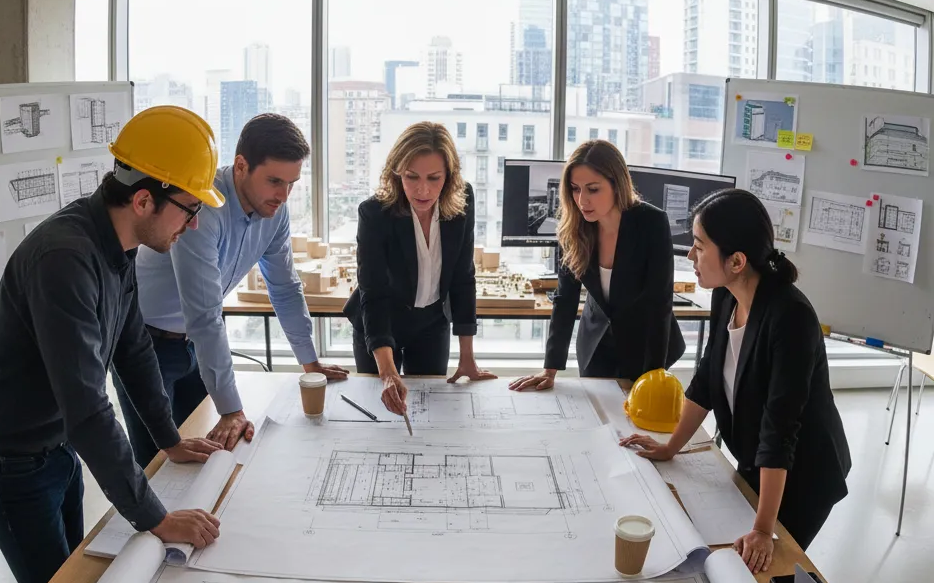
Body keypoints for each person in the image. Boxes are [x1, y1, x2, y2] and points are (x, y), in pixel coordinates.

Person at [0, 106, 226, 583]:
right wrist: (157, 518)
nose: (192, 225)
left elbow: (133, 347)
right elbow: (86, 406)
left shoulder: (115, 245)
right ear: (144, 199)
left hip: (55, 448)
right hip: (5, 460)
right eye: (190, 209)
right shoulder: (66, 259)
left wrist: (169, 440)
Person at [621, 188, 851, 570]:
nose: (691, 256)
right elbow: (709, 378)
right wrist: (671, 447)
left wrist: (763, 529)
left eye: (699, 246)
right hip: (760, 456)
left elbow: (780, 428)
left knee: (765, 567)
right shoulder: (726, 296)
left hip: (804, 473)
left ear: (737, 261)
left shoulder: (790, 318)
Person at [117, 113, 347, 466]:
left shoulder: (275, 211)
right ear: (241, 166)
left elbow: (284, 286)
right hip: (144, 343)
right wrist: (233, 410)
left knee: (204, 451)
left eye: (292, 183)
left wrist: (309, 361)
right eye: (274, 181)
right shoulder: (203, 209)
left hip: (194, 344)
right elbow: (206, 315)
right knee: (159, 461)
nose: (283, 195)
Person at [343, 121, 495, 416]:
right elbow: (373, 293)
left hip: (431, 323)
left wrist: (468, 358)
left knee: (430, 411)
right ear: (397, 171)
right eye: (411, 177)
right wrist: (387, 373)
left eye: (434, 178)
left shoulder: (463, 201)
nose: (423, 189)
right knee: (381, 411)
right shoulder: (374, 213)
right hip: (379, 322)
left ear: (449, 177)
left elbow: (463, 278)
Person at [510, 140, 683, 391]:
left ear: (617, 184)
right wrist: (550, 368)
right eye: (575, 189)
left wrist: (653, 375)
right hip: (596, 345)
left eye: (593, 189)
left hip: (644, 345)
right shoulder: (573, 228)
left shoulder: (652, 223)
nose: (582, 200)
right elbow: (565, 299)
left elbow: (660, 302)